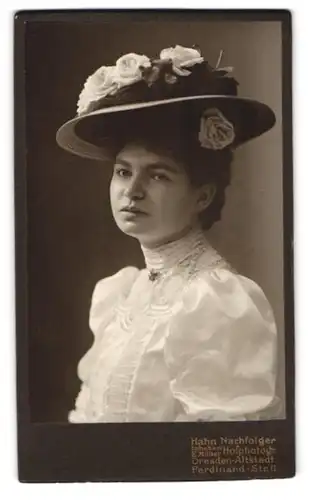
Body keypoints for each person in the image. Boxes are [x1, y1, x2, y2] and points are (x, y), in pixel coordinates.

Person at [56, 45, 281, 423]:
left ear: (202, 195)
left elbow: (216, 456)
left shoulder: (215, 301)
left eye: (158, 175)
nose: (133, 191)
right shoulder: (120, 293)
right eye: (124, 172)